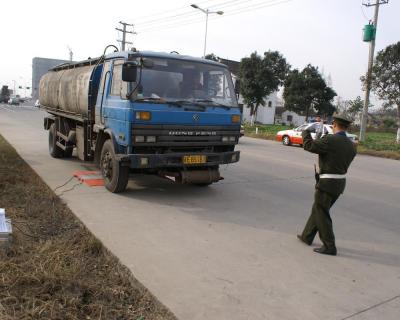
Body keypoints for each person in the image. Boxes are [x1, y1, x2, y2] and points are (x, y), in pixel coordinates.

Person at [297, 114, 357, 256]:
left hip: (327, 183)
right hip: (339, 184)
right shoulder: (352, 145)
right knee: (318, 209)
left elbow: (308, 145)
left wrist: (306, 131)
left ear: (334, 125)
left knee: (322, 213)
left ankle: (330, 246)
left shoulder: (330, 140)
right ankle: (307, 236)